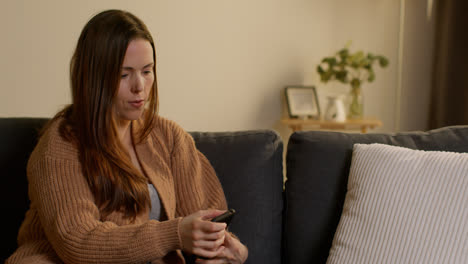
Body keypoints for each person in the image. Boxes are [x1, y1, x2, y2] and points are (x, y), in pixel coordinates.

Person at [6, 9, 248, 264]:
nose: (139, 87)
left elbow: (207, 220)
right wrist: (173, 234)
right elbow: (78, 243)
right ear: (93, 78)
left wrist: (225, 252)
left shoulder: (170, 137)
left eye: (147, 71)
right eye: (124, 74)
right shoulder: (60, 146)